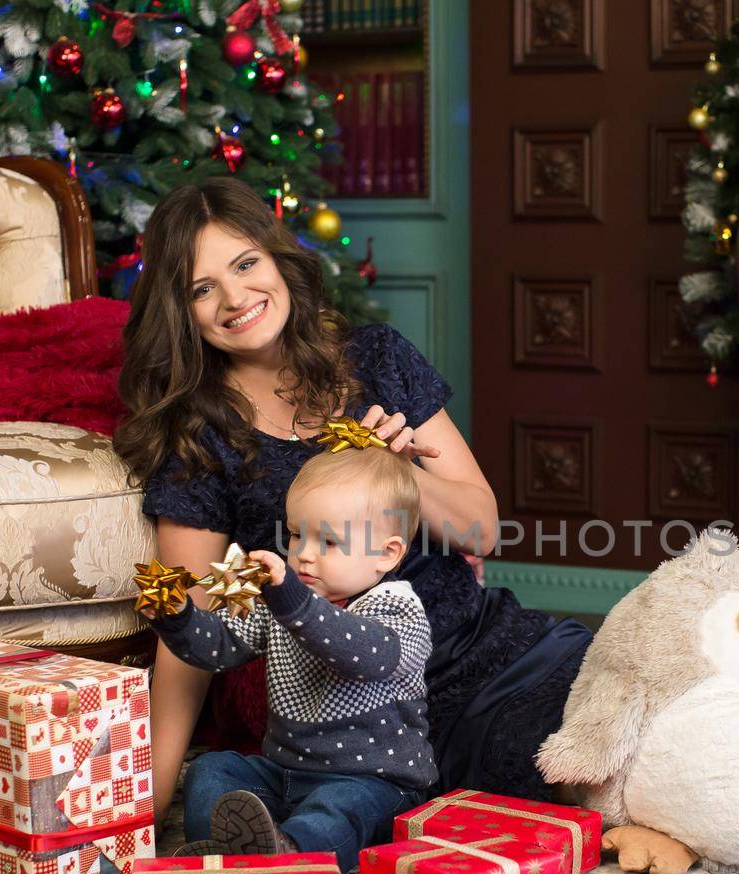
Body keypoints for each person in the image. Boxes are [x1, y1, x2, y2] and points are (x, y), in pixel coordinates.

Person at [113, 177, 591, 828]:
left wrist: (402, 473)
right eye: (202, 288)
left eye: (246, 263)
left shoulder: (376, 360)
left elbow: (482, 529)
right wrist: (144, 807)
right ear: (181, 308)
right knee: (559, 769)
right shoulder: (202, 437)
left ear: (279, 259)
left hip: (486, 636)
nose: (235, 297)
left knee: (632, 697)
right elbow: (194, 626)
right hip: (374, 702)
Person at [146, 444, 434, 870]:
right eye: (297, 535)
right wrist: (178, 617)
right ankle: (225, 849)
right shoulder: (286, 604)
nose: (304, 553)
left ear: (387, 554)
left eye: (329, 541)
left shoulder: (396, 610)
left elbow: (357, 654)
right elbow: (219, 646)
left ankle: (292, 854)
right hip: (283, 773)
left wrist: (292, 601)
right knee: (211, 769)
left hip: (373, 780)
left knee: (342, 808)